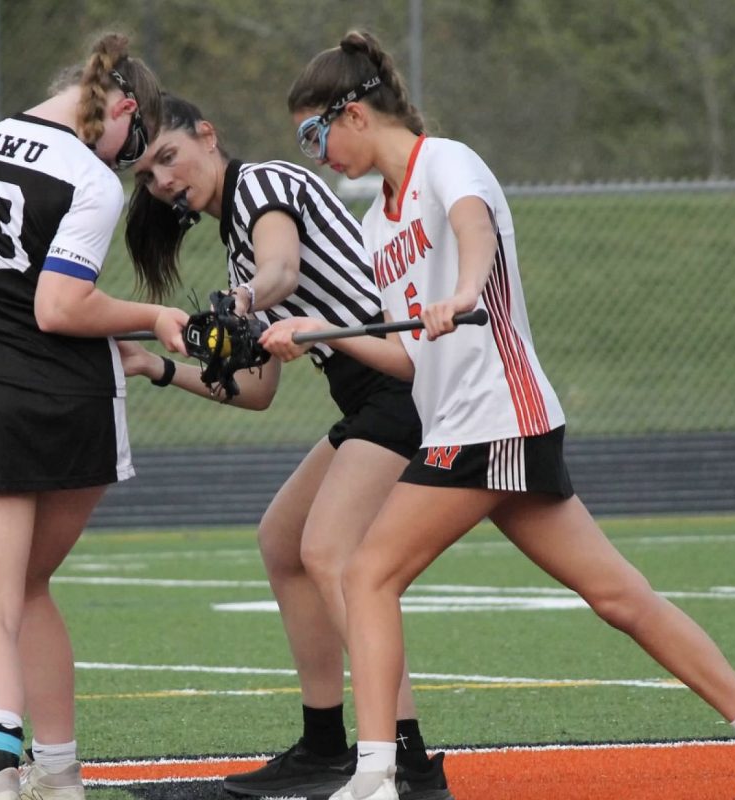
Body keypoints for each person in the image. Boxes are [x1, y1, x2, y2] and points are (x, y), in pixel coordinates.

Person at [261, 30, 735, 800]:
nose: (317, 153)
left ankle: (375, 777)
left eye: (314, 133)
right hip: (469, 424)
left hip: (495, 419)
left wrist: (463, 290)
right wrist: (325, 340)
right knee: (618, 595)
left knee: (366, 574)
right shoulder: (376, 227)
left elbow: (475, 230)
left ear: (353, 111)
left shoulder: (445, 161)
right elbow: (410, 360)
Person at [118, 93, 454, 800]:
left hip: (402, 387)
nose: (163, 182)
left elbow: (283, 271)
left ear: (208, 135)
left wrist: (244, 300)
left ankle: (411, 763)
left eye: (168, 158)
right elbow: (258, 388)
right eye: (147, 176)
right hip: (367, 397)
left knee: (328, 552)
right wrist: (157, 368)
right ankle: (326, 745)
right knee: (283, 539)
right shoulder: (236, 238)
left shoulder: (263, 185)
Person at [0, 33, 188, 800]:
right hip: (73, 399)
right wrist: (155, 314)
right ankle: (59, 771)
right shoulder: (88, 173)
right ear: (120, 107)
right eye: (134, 144)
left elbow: (40, 300)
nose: (126, 162)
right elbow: (62, 306)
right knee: (31, 584)